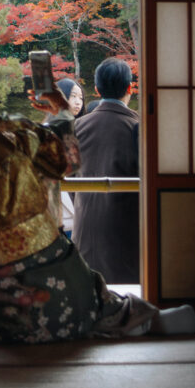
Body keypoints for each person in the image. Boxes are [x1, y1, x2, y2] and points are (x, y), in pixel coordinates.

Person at [0, 22, 195, 348]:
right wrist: (62, 109)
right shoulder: (21, 132)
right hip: (78, 297)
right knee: (100, 298)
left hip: (17, 315)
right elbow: (68, 162)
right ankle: (136, 316)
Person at [71, 57, 140, 284]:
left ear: (97, 89)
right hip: (127, 233)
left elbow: (70, 182)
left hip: (85, 230)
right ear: (130, 88)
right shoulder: (139, 126)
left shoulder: (78, 127)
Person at [55, 76, 85, 239]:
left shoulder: (83, 128)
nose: (78, 102)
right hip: (59, 210)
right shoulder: (50, 128)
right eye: (73, 96)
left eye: (80, 97)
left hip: (79, 207)